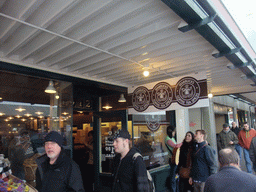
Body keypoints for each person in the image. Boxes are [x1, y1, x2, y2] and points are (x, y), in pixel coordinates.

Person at [165, 125, 182, 192]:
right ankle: (173, 189)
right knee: (173, 176)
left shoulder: (172, 138)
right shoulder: (167, 139)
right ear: (170, 131)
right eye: (174, 131)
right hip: (172, 160)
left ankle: (176, 189)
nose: (174, 133)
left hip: (176, 159)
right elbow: (175, 146)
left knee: (176, 175)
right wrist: (183, 143)